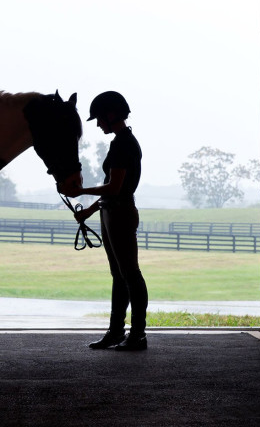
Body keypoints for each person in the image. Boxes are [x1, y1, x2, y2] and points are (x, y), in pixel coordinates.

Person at [59, 91, 148, 351]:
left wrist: (81, 192)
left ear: (111, 115)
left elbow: (115, 186)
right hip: (111, 211)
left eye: (99, 119)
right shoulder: (120, 142)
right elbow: (112, 191)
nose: (98, 124)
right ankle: (117, 332)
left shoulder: (123, 144)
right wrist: (88, 211)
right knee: (120, 275)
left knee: (130, 273)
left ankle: (137, 335)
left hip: (119, 213)